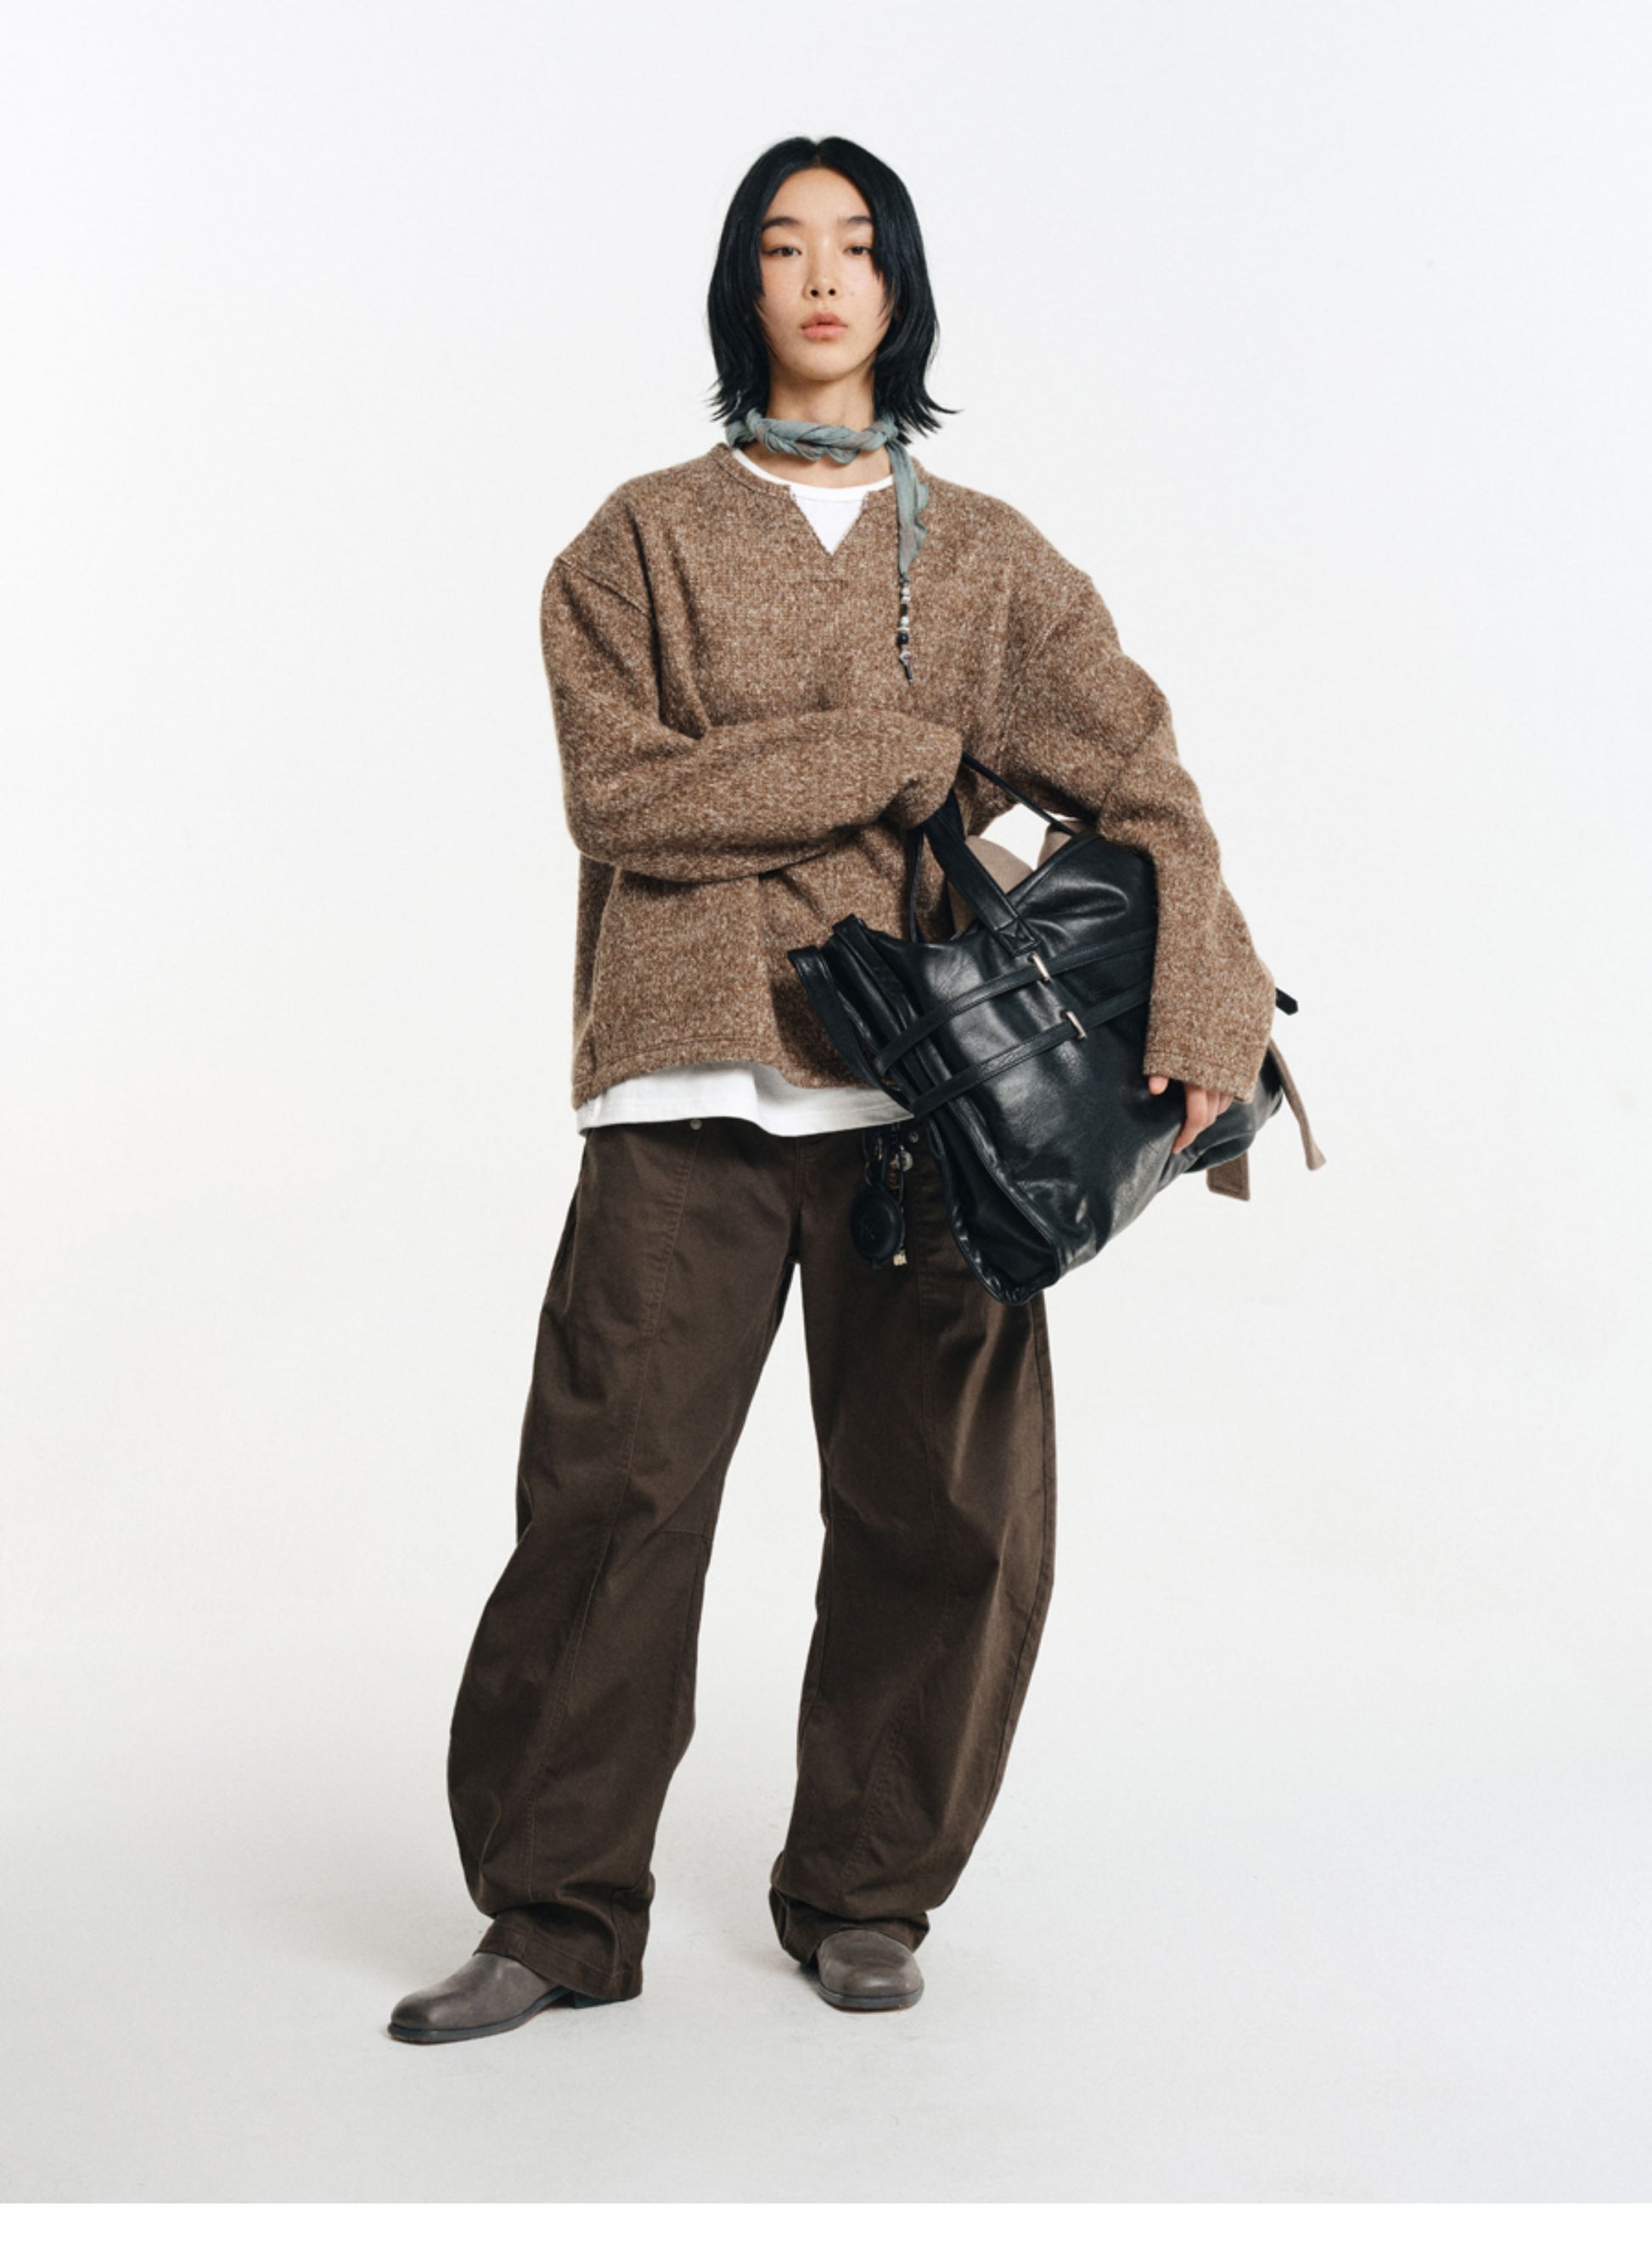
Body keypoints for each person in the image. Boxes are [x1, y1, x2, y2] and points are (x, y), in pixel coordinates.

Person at [388, 135, 1278, 2045]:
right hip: (683, 1086)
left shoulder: (993, 558)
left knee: (946, 1517)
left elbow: (1145, 793)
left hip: (935, 1114)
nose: (818, 275)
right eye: (782, 245)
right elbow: (621, 799)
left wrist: (1207, 1014)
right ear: (742, 286)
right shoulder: (633, 540)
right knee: (608, 1502)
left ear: (898, 287)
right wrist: (889, 752)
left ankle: (869, 1893)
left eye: (855, 245)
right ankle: (552, 1914)